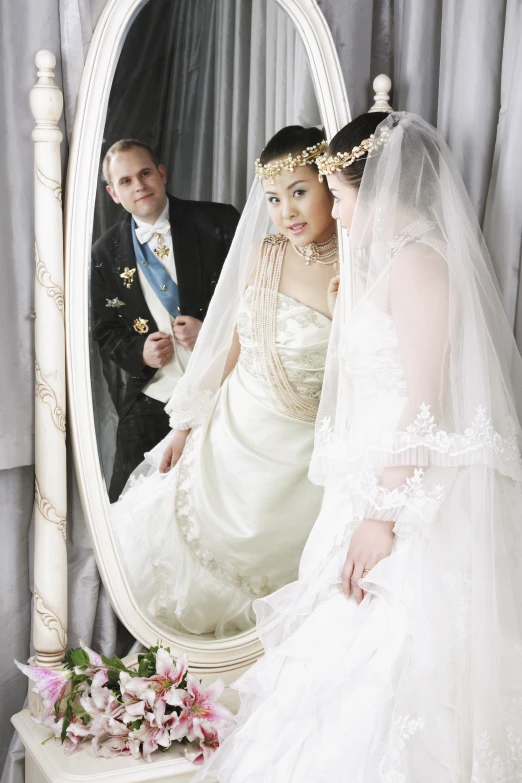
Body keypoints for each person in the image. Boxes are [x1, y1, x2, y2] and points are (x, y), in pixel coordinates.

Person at [193, 112, 522, 781]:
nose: (335, 214)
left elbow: (425, 401)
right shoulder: (395, 263)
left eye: (337, 196)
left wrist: (381, 516)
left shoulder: (424, 263)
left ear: (376, 192)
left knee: (392, 666)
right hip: (376, 484)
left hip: (411, 500)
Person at [110, 126, 339, 638]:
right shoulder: (266, 253)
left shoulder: (358, 265)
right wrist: (185, 428)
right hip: (229, 435)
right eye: (274, 198)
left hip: (300, 460)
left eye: (300, 192)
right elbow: (230, 346)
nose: (287, 212)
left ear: (330, 184)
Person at [91, 139, 240, 502]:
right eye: (125, 181)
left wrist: (212, 332)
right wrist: (139, 351)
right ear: (113, 193)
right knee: (128, 497)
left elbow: (254, 292)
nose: (138, 185)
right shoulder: (103, 254)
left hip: (226, 381)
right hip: (154, 390)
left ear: (161, 173)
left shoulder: (217, 220)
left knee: (218, 495)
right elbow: (105, 330)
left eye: (144, 173)